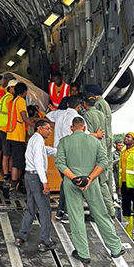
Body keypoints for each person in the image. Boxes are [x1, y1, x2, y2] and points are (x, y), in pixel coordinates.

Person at [55, 117, 125, 263]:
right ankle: (116, 248)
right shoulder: (95, 141)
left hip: (71, 182)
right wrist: (89, 178)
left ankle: (83, 253)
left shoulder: (64, 142)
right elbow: (103, 162)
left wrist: (75, 179)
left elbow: (60, 163)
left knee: (76, 217)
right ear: (85, 128)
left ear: (71, 128)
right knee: (101, 214)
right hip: (91, 182)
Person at [14, 120, 57, 252]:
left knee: (31, 208)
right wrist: (44, 182)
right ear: (39, 129)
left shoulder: (34, 140)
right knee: (45, 210)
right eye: (47, 128)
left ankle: (21, 237)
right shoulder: (38, 140)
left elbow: (47, 151)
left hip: (29, 177)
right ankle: (45, 241)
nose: (50, 131)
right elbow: (39, 161)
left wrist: (63, 149)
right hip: (36, 177)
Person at [46, 96, 85, 224]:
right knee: (72, 183)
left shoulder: (59, 113)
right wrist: (96, 135)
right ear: (78, 107)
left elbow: (48, 115)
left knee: (65, 181)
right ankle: (67, 213)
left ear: (67, 104)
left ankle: (61, 210)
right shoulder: (78, 119)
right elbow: (83, 135)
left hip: (59, 153)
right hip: (71, 154)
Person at [80, 91, 115, 218]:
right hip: (103, 150)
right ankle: (110, 210)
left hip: (93, 152)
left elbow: (88, 135)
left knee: (92, 181)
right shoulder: (101, 114)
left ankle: (97, 212)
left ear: (84, 103)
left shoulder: (87, 116)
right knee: (103, 181)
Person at [86, 84, 115, 201]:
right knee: (107, 168)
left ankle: (104, 197)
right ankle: (110, 196)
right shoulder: (105, 103)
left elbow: (96, 123)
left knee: (101, 170)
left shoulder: (98, 105)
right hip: (108, 137)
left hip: (101, 138)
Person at [6, 82, 36, 193]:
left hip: (12, 134)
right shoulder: (21, 101)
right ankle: (13, 186)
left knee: (16, 160)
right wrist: (36, 126)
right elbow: (24, 118)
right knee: (17, 162)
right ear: (24, 92)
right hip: (17, 136)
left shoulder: (14, 100)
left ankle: (15, 182)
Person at [0, 78, 17, 182]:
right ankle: (7, 175)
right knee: (7, 153)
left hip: (1, 127)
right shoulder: (10, 99)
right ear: (11, 88)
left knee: (7, 152)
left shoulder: (4, 97)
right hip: (5, 129)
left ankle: (8, 172)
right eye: (15, 87)